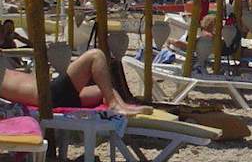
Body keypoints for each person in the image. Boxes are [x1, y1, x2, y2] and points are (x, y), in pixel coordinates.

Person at [0, 48, 149, 115]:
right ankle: (114, 105)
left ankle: (123, 107)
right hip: (50, 95)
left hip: (54, 94)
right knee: (95, 55)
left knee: (104, 89)